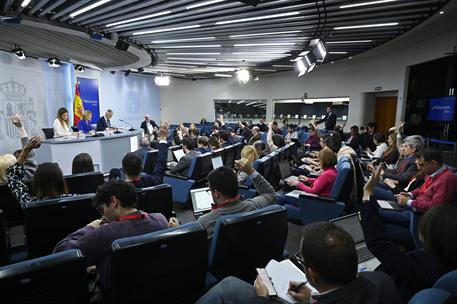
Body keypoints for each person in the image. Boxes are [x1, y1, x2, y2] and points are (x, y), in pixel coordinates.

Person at [196, 221, 402, 304]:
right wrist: (312, 299)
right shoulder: (381, 279)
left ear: (311, 274)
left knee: (229, 286)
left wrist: (261, 299)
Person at [359, 166, 457, 302]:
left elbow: (378, 244)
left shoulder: (422, 264)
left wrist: (367, 195)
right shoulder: (447, 263)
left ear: (428, 235)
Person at [53, 180, 168, 294]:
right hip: (156, 291)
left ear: (114, 201)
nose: (104, 216)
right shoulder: (160, 220)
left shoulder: (106, 233)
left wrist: (90, 227)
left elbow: (61, 252)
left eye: (103, 210)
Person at [169, 159, 276, 238]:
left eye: (209, 190)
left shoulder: (204, 222)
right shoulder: (254, 205)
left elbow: (187, 245)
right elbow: (270, 193)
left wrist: (177, 229)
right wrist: (250, 171)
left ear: (216, 194)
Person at [7, 136, 74, 209]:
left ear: (36, 182)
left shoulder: (28, 203)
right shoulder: (74, 200)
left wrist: (27, 150)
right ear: (61, 181)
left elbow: (13, 177)